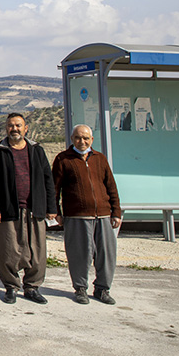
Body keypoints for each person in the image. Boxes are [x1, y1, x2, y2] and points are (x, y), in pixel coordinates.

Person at [0, 113, 57, 304]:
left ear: (26, 129)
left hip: (35, 208)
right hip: (8, 209)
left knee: (37, 250)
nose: (14, 129)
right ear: (6, 128)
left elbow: (48, 179)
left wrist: (51, 206)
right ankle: (11, 286)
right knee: (8, 250)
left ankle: (32, 287)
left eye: (18, 125)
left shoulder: (37, 150)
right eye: (10, 126)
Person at [52, 124, 121, 305]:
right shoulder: (63, 159)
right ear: (72, 139)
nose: (82, 141)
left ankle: (102, 289)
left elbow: (111, 187)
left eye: (85, 138)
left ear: (91, 139)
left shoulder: (100, 159)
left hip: (104, 216)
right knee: (78, 254)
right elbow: (54, 189)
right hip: (76, 216)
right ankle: (80, 288)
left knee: (106, 254)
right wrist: (56, 212)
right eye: (78, 138)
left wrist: (116, 212)